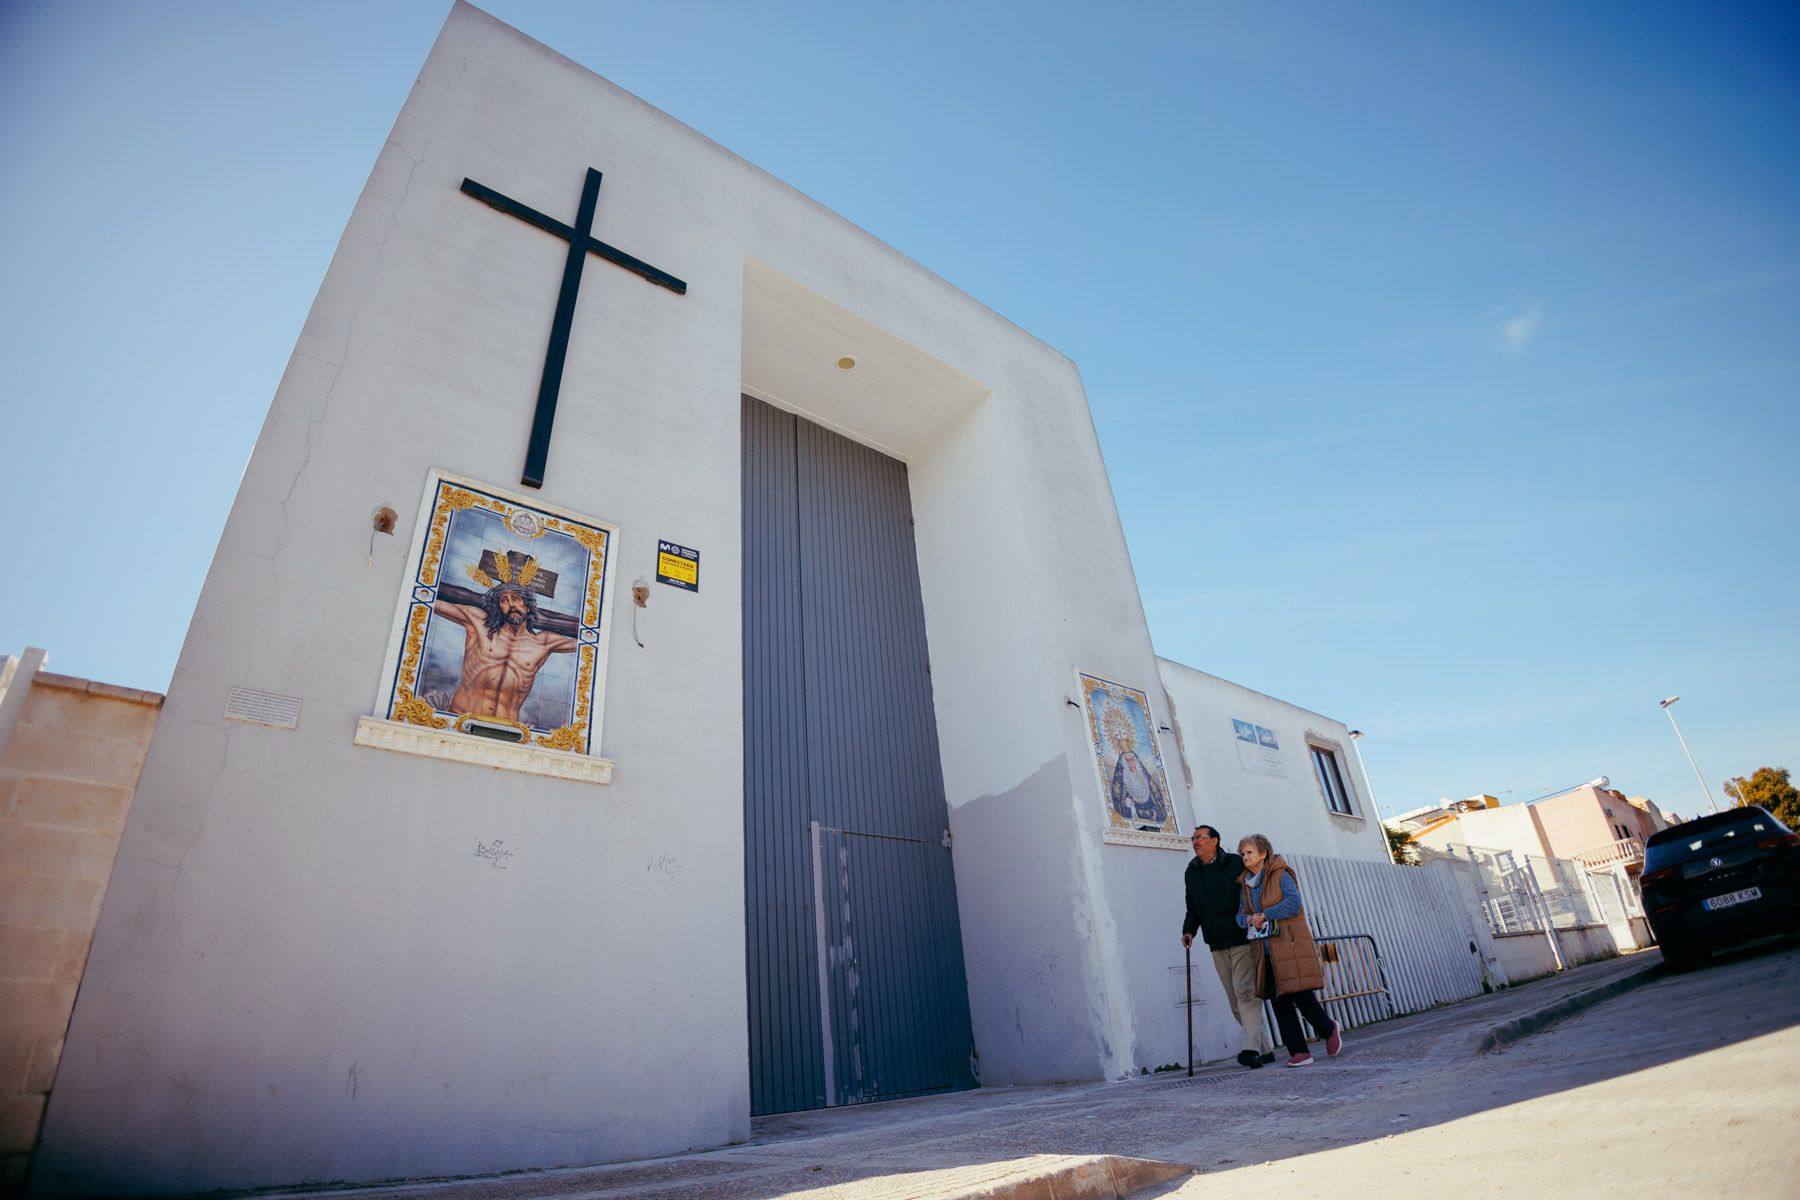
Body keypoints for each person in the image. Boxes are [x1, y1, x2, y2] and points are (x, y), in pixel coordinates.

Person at [1235, 833, 1343, 1068]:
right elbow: (1239, 915)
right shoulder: (1245, 884)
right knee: (1278, 1002)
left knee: (1300, 995)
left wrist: (1266, 914)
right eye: (1242, 853)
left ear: (1264, 853)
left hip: (1288, 945)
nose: (1245, 857)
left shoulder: (1281, 874)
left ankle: (1328, 1029)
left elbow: (1294, 903)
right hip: (1263, 952)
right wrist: (1249, 919)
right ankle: (1300, 1052)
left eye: (1249, 852)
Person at [433, 557, 576, 722]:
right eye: (504, 601)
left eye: (516, 599)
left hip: (507, 726)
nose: (511, 605)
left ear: (527, 605)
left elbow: (589, 645)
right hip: (463, 718)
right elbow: (431, 600)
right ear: (499, 607)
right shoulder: (479, 623)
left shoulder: (544, 641)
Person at [1182, 825, 1275, 1068]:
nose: (1195, 841)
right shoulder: (1191, 872)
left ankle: (1250, 1049)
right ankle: (1265, 1048)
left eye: (1200, 837)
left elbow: (1255, 888)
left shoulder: (1235, 863)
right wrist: (1189, 930)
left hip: (1242, 937)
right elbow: (1192, 906)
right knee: (1234, 1001)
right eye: (1193, 838)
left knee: (1245, 992)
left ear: (1214, 841)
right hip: (1216, 942)